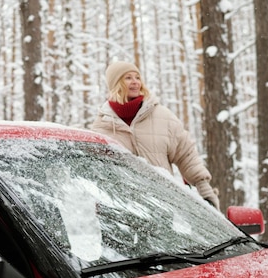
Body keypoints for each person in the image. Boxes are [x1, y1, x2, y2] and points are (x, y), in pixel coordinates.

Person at [91, 61, 220, 209]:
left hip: (161, 209)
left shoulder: (161, 116)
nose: (135, 82)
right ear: (116, 83)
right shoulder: (102, 125)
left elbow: (186, 153)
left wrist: (204, 189)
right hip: (119, 211)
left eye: (137, 77)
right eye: (128, 78)